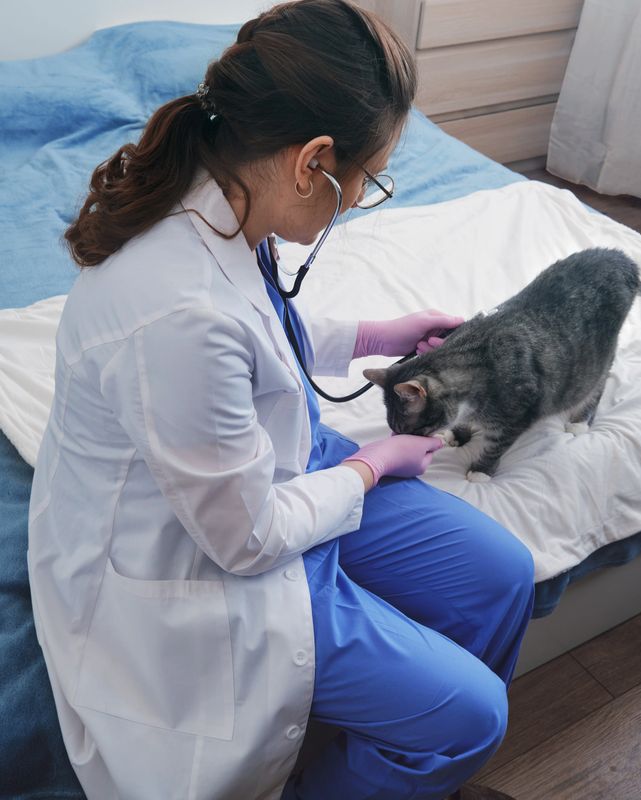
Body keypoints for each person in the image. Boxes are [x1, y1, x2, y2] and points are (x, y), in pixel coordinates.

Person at [27, 2, 535, 798]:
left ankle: (397, 746)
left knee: (501, 574)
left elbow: (257, 334)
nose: (363, 197)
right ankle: (410, 749)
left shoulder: (225, 197)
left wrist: (376, 331)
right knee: (471, 721)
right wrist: (373, 466)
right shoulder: (176, 311)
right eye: (367, 179)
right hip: (206, 553)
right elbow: (247, 537)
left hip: (272, 466)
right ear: (313, 162)